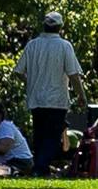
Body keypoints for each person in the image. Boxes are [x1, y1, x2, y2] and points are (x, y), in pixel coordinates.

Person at [13, 15, 81, 173]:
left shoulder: (32, 45)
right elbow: (73, 74)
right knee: (52, 136)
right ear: (60, 27)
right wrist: (81, 95)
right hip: (57, 99)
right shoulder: (64, 46)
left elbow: (18, 71)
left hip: (36, 98)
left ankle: (39, 166)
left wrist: (31, 81)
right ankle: (41, 167)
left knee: (40, 134)